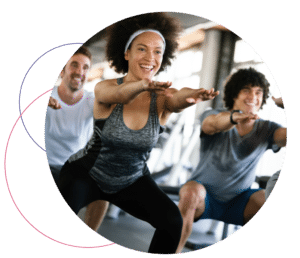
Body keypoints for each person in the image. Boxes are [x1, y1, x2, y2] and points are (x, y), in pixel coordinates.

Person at [58, 12, 219, 254]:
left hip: (132, 179)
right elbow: (119, 95)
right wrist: (142, 85)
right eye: (142, 49)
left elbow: (178, 97)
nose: (150, 57)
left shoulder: (162, 97)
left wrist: (192, 96)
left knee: (172, 222)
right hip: (86, 173)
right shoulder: (106, 87)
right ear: (127, 53)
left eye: (157, 52)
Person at [176, 68, 287, 253]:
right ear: (234, 94)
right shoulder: (213, 114)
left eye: (258, 92)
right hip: (205, 198)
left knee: (268, 200)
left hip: (240, 201)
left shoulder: (267, 128)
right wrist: (234, 117)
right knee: (190, 192)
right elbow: (213, 123)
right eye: (247, 90)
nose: (253, 96)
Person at [45, 46, 109, 231]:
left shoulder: (91, 100)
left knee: (104, 187)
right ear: (62, 69)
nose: (80, 72)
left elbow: (114, 101)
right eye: (74, 65)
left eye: (85, 67)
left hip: (73, 167)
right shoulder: (45, 95)